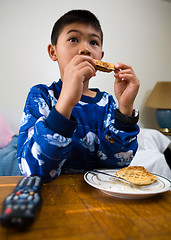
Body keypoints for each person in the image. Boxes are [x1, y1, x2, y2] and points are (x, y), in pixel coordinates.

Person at [17, 9, 140, 182]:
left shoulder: (108, 103)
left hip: (97, 199)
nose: (85, 49)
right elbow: (32, 169)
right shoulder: (41, 96)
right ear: (53, 52)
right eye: (73, 39)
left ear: (101, 57)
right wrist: (66, 102)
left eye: (94, 42)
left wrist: (125, 109)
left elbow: (116, 166)